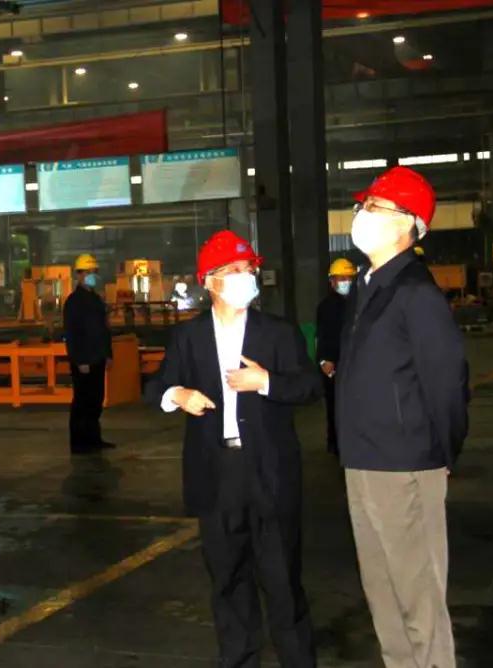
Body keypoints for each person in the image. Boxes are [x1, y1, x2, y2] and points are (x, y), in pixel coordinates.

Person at [146, 230, 321, 668]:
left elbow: (310, 386)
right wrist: (177, 395)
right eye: (234, 270)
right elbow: (156, 386)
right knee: (227, 580)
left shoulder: (277, 333)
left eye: (249, 269)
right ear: (209, 281)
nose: (246, 277)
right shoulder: (188, 338)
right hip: (217, 473)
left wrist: (267, 382)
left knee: (282, 581)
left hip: (269, 472)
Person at [336, 166, 469, 668]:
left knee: (418, 595)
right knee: (383, 592)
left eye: (374, 207)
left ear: (407, 223)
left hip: (405, 462)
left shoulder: (415, 291)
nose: (362, 215)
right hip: (363, 458)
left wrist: (442, 452)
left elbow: (448, 381)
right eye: (363, 206)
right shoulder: (369, 285)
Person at [63, 253, 115, 454]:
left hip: (98, 358)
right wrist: (79, 360)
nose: (92, 275)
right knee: (82, 401)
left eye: (94, 272)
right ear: (79, 274)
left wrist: (108, 354)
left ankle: (94, 439)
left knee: (96, 400)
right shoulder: (74, 302)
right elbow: (72, 334)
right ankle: (79, 443)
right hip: (84, 361)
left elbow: (104, 329)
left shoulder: (96, 300)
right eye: (88, 272)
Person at [315, 258, 357, 457]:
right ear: (332, 281)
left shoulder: (360, 302)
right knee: (335, 405)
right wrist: (324, 360)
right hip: (334, 366)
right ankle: (336, 443)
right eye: (341, 278)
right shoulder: (326, 306)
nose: (346, 282)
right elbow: (322, 335)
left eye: (349, 278)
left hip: (357, 363)